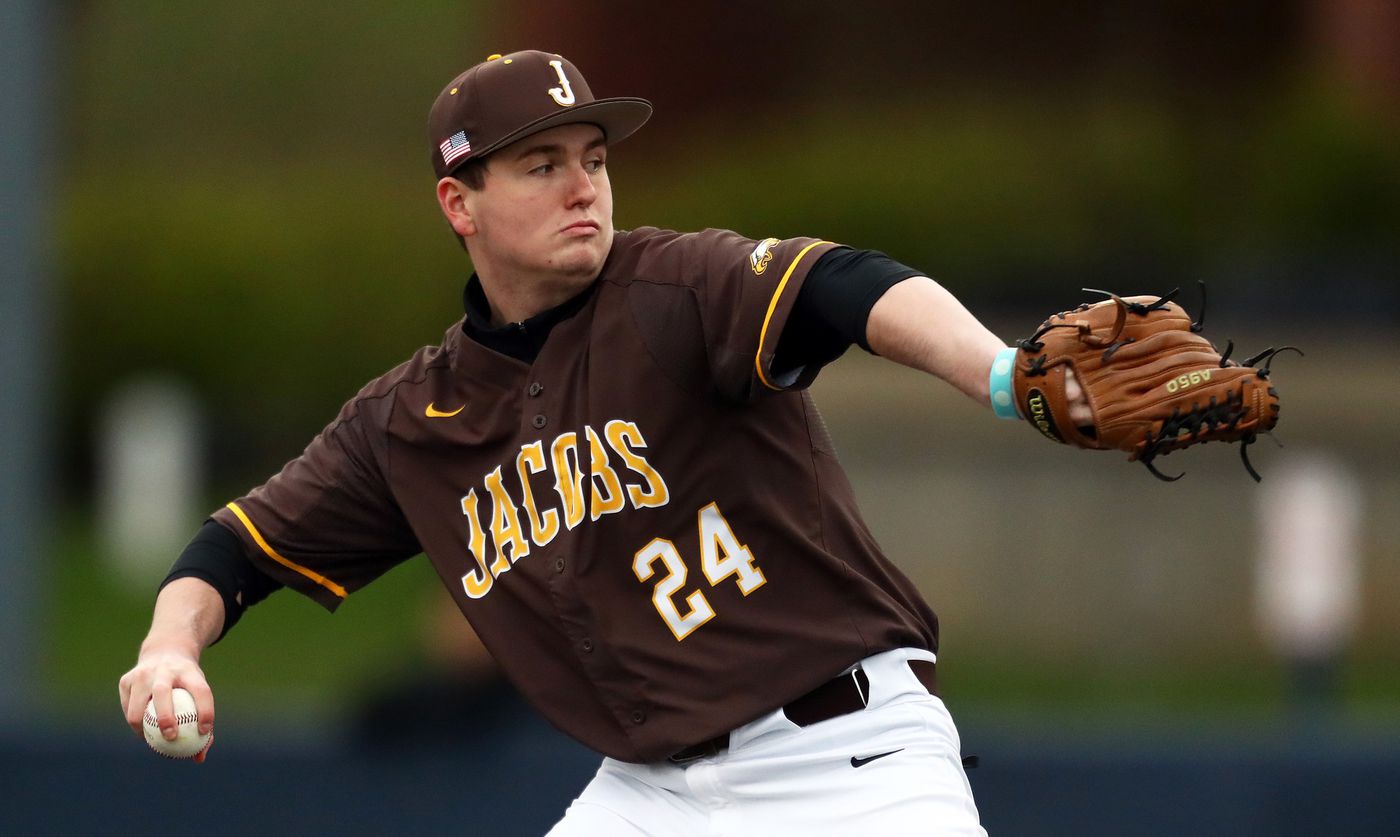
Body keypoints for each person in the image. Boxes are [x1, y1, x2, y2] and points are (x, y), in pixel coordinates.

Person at [119, 49, 1091, 834]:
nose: (582, 186)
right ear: (459, 204)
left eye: (593, 157)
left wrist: (998, 374)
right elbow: (235, 549)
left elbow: (844, 284)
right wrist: (170, 646)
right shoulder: (412, 418)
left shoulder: (674, 288)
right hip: (651, 793)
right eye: (542, 166)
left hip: (846, 758)